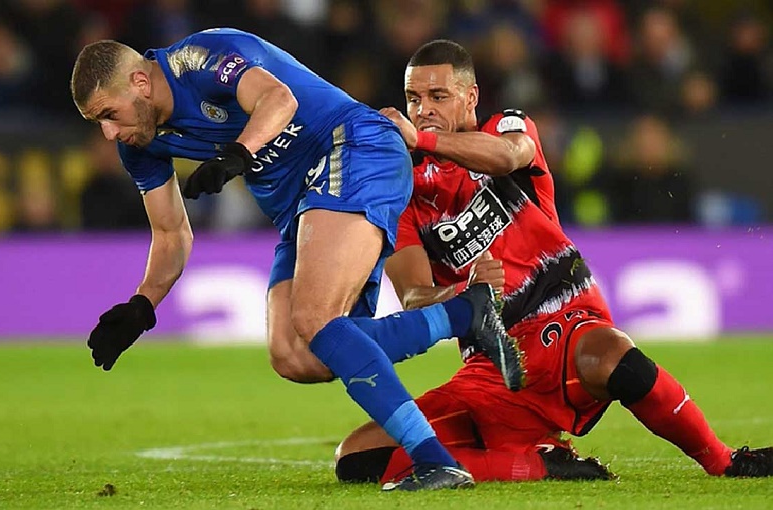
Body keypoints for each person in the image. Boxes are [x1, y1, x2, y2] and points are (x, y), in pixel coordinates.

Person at [69, 28, 525, 491]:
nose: (109, 133)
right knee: (296, 355)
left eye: (110, 114)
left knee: (314, 316)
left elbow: (278, 99)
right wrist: (142, 306)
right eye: (98, 123)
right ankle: (464, 313)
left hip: (354, 147)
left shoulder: (200, 58)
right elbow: (170, 233)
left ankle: (434, 460)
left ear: (141, 84)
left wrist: (237, 155)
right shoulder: (138, 145)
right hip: (303, 206)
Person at [334, 39, 773, 486]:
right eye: (413, 99)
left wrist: (421, 139)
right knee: (355, 459)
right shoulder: (404, 194)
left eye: (437, 96)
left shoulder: (508, 126)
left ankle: (725, 461)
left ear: (471, 97)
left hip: (567, 325)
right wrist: (466, 294)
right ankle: (544, 464)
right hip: (493, 365)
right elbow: (413, 297)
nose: (422, 108)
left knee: (617, 361)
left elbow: (507, 157)